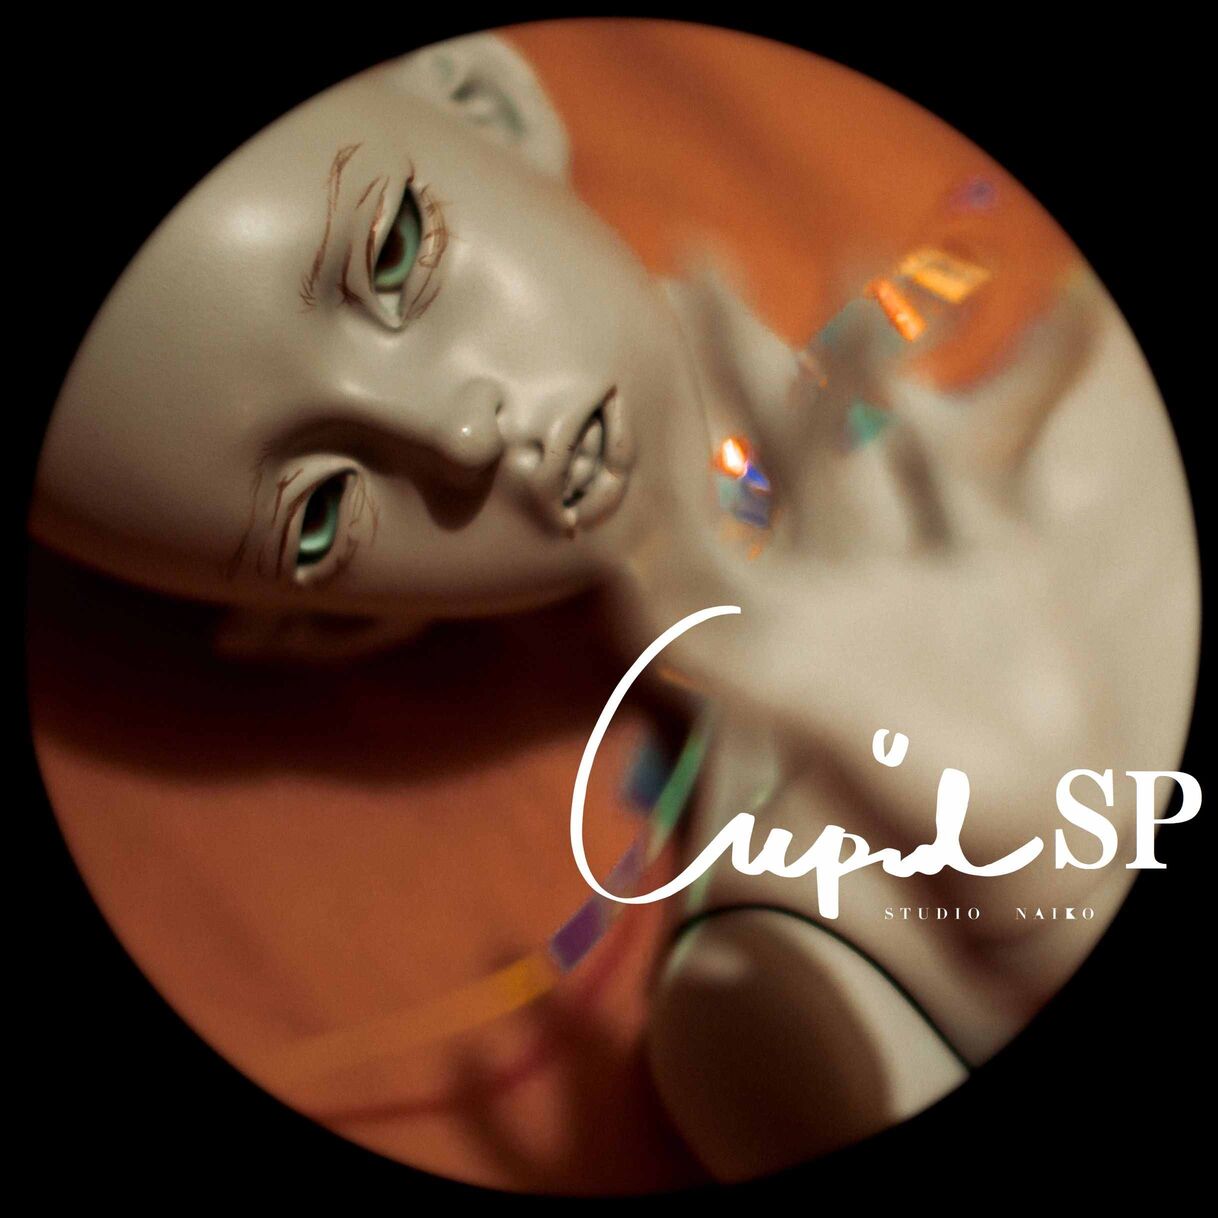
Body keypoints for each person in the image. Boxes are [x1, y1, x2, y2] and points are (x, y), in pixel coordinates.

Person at [28, 29, 1199, 1184]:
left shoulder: (1089, 364)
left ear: (486, 103)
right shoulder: (782, 995)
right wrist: (1054, 904)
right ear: (338, 623)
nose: (460, 435)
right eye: (323, 516)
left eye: (391, 255)